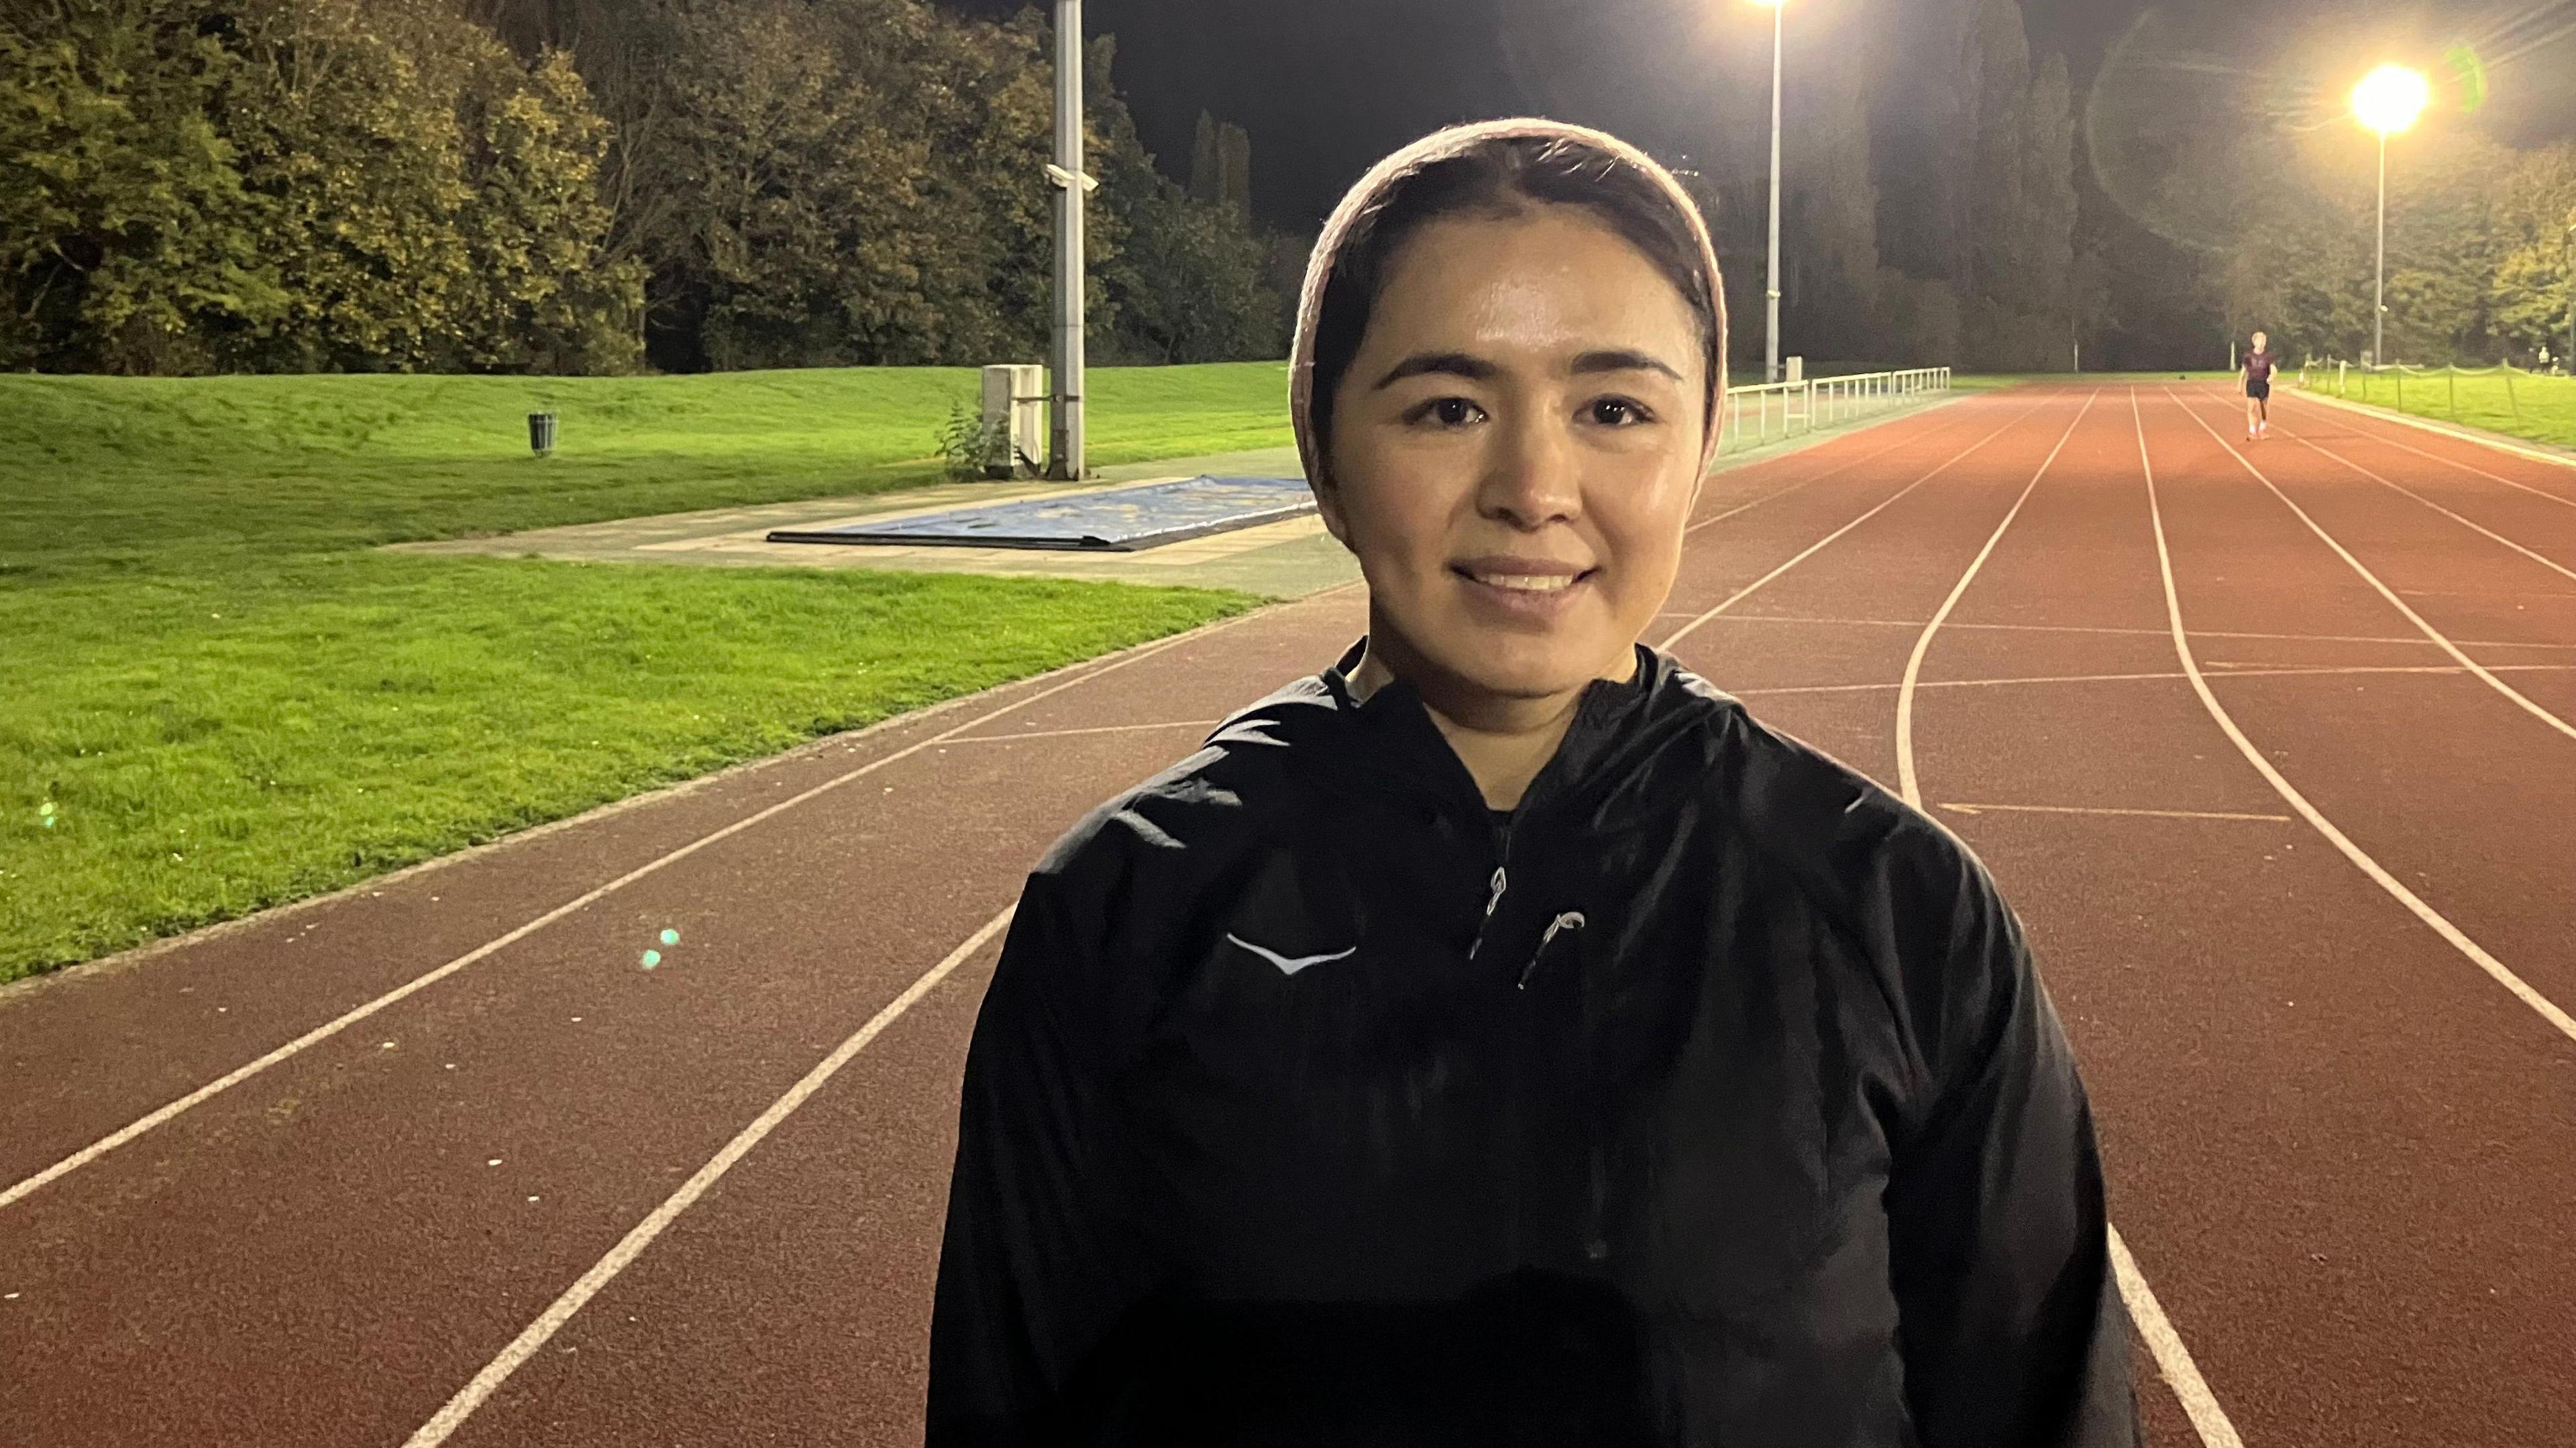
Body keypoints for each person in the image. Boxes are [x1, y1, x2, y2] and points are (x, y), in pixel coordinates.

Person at [928, 118, 2139, 1447]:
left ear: (1704, 438)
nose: (1534, 486)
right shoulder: (1129, 904)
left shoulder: (1899, 912)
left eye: (1613, 408)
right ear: (1325, 447)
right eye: (1447, 406)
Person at [2243, 331, 2276, 439]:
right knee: (2251, 408)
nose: (2262, 343)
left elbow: (2273, 368)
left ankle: (2263, 429)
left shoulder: (2268, 356)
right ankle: (2252, 431)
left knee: (2263, 409)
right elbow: (2244, 370)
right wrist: (2239, 384)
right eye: (2260, 340)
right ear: (2255, 342)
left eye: (2264, 341)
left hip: (2263, 383)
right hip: (2252, 382)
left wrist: (2272, 377)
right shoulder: (2248, 356)